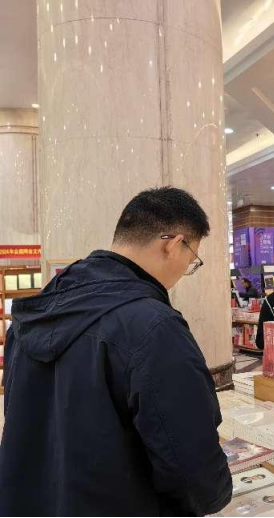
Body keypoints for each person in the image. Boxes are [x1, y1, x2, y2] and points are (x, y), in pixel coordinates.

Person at [0, 187, 233, 517]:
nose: (185, 270)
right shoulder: (154, 327)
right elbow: (194, 473)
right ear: (173, 244)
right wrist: (216, 492)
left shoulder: (33, 314)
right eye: (192, 259)